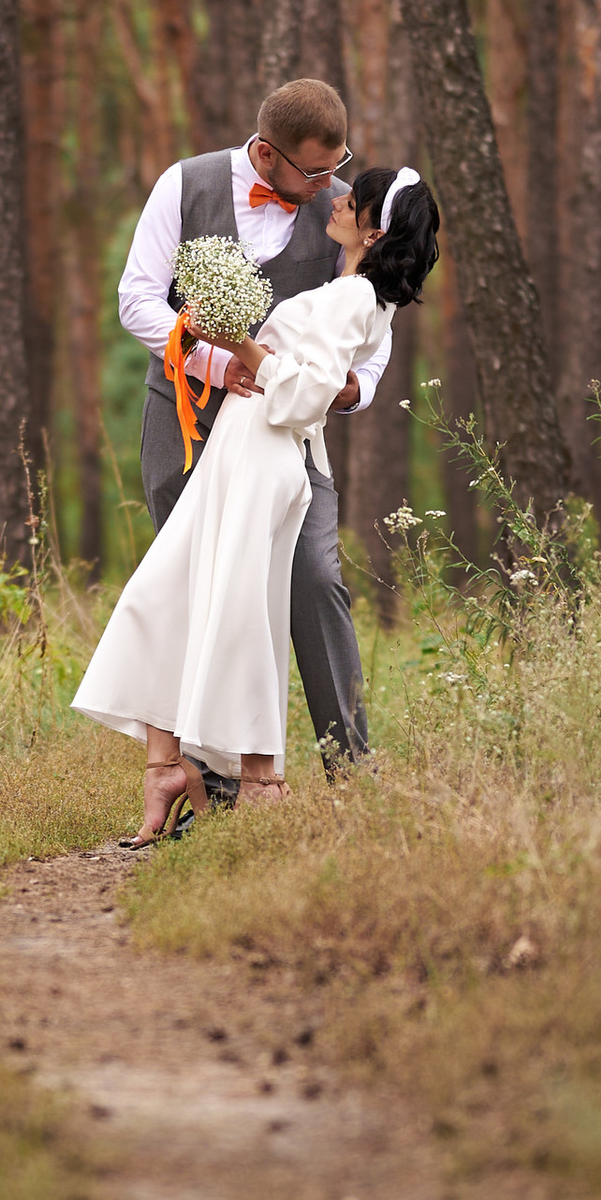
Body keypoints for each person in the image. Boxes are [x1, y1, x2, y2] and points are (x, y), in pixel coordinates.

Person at [77, 170, 444, 836]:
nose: (337, 198)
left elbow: (307, 395)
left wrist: (237, 343)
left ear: (373, 230)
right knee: (172, 595)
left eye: (352, 197)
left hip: (265, 453)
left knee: (242, 612)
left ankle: (260, 783)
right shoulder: (357, 294)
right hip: (240, 450)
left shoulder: (352, 298)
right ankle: (167, 770)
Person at [115, 79, 382, 817]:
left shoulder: (338, 217)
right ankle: (213, 786)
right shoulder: (185, 184)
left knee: (317, 580)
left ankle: (353, 775)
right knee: (197, 590)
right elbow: (139, 296)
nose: (331, 187)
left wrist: (356, 388)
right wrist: (213, 363)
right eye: (314, 172)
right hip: (187, 424)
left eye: (338, 168)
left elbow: (365, 321)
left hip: (288, 439)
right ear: (266, 153)